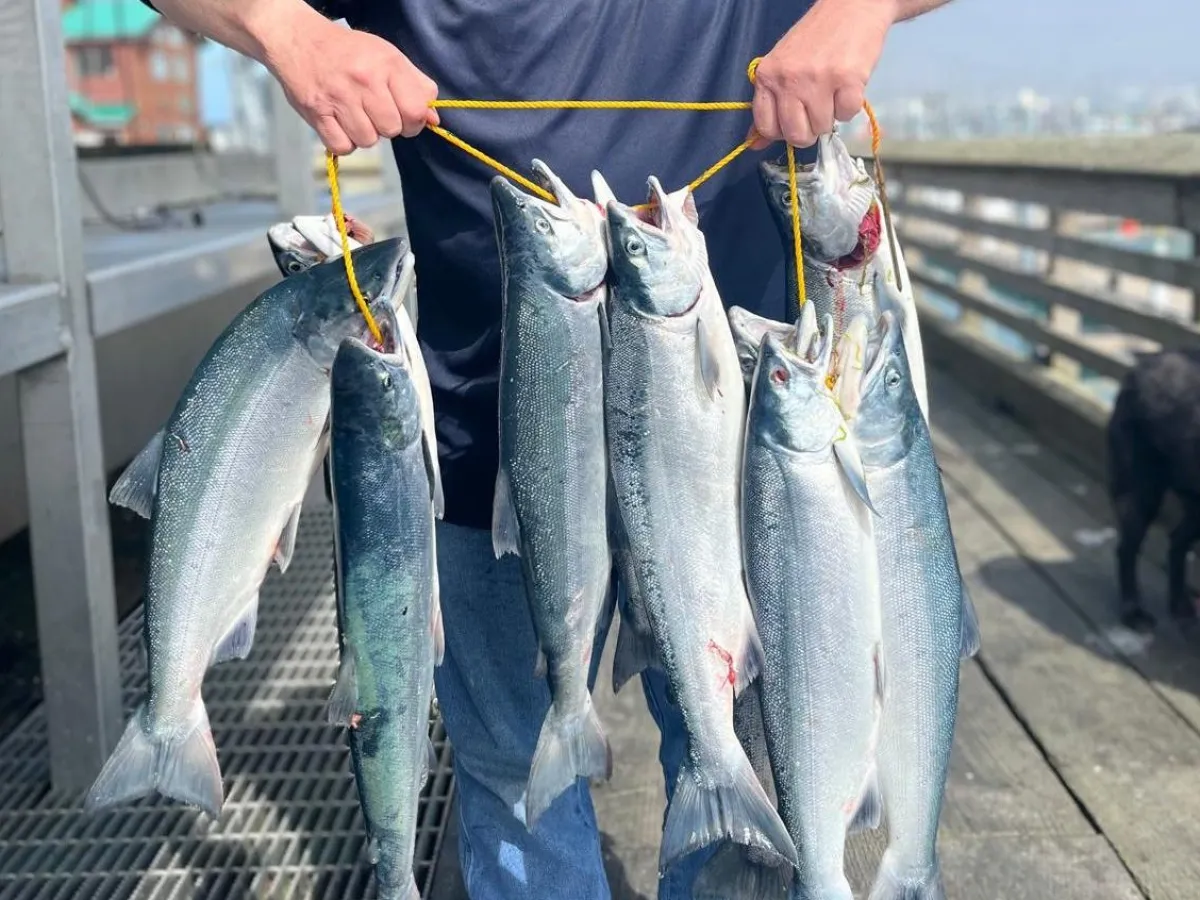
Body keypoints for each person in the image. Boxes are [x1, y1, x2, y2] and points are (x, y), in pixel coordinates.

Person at [141, 1, 954, 897]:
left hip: (745, 460)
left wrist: (860, 9)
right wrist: (288, 30)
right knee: (510, 779)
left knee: (750, 779)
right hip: (482, 441)